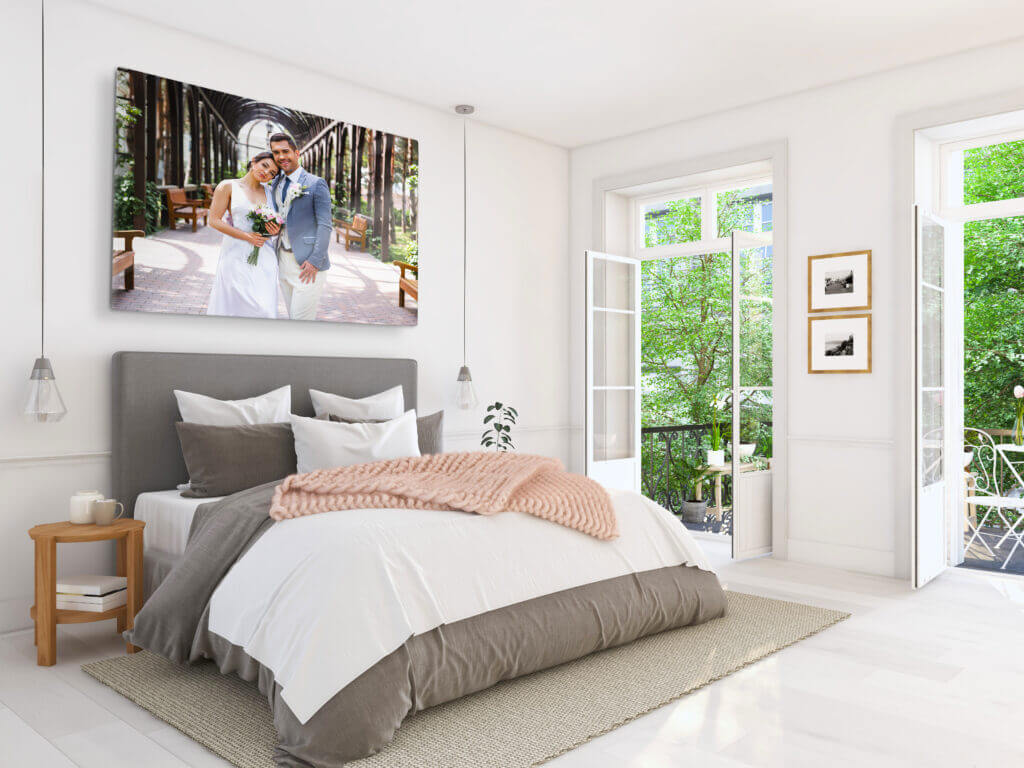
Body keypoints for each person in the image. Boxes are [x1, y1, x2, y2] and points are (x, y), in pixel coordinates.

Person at [206, 152, 282, 318]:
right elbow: (213, 220)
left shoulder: (271, 193)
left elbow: (275, 226)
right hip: (235, 254)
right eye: (264, 166)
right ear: (254, 162)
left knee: (264, 309)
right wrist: (247, 236)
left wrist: (274, 231)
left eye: (272, 173)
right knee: (234, 306)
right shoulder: (227, 186)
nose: (266, 173)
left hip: (264, 256)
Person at [268, 132, 332, 320]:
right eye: (276, 152)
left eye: (285, 151)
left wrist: (314, 260)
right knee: (292, 317)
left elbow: (325, 225)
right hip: (283, 261)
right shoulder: (276, 183)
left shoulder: (316, 184)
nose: (281, 157)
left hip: (307, 265)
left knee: (301, 320)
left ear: (297, 153)